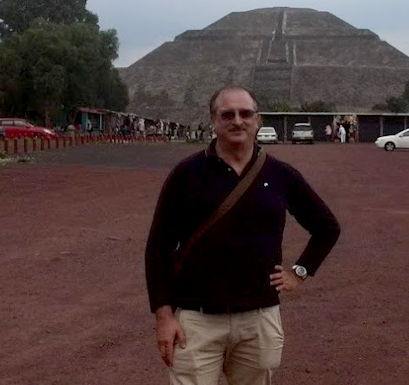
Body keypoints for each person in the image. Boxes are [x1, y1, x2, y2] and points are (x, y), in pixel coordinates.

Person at [145, 85, 340, 385]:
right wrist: (164, 316)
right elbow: (158, 248)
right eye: (227, 115)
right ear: (213, 121)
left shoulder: (280, 174)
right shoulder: (187, 174)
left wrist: (300, 272)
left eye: (245, 113)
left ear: (258, 120)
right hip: (196, 321)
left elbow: (327, 226)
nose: (237, 121)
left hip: (258, 319)